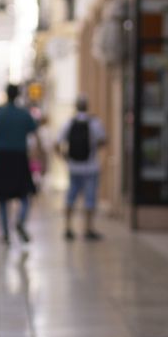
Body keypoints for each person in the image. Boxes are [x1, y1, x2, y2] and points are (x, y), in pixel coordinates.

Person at [0, 84, 40, 244]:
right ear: (17, 95)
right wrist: (40, 159)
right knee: (25, 194)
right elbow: (35, 138)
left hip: (2, 158)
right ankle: (20, 220)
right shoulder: (24, 114)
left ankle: (5, 232)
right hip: (19, 158)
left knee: (2, 196)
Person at [58, 97, 106, 241]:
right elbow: (103, 141)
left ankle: (68, 228)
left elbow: (57, 144)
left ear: (76, 107)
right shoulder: (95, 123)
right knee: (90, 199)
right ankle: (88, 229)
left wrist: (66, 159)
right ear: (87, 106)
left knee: (70, 198)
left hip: (74, 167)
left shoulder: (68, 123)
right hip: (90, 168)